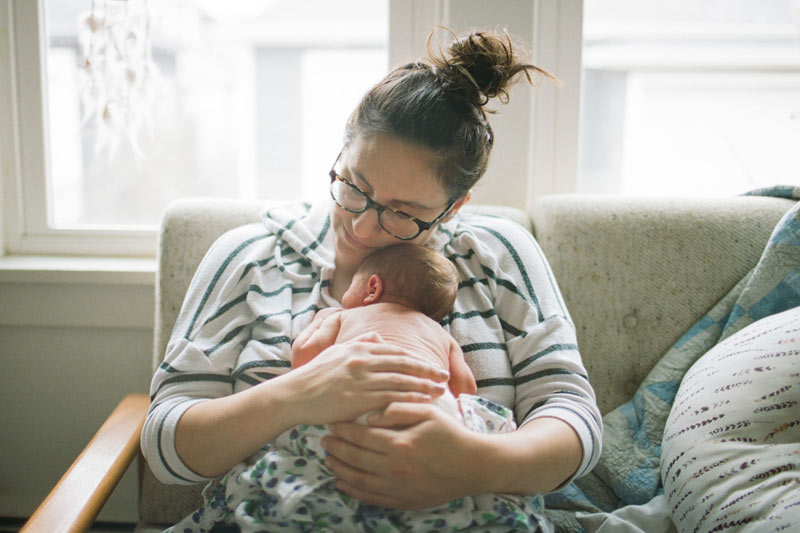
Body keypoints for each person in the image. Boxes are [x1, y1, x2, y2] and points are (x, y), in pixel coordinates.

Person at [142, 29, 602, 531]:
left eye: (403, 213)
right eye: (355, 186)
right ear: (342, 152)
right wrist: (298, 394)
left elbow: (573, 417)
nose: (361, 227)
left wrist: (471, 464)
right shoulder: (250, 257)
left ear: (454, 207)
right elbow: (166, 447)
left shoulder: (497, 254)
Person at [291, 242, 477, 402]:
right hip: (430, 404)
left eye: (351, 285)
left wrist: (321, 318)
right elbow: (466, 390)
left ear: (373, 288)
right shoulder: (443, 336)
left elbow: (303, 357)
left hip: (357, 396)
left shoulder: (344, 317)